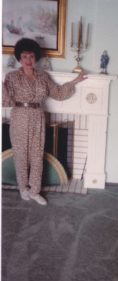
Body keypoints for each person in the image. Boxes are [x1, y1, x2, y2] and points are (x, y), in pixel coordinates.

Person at [3, 38, 87, 206]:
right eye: (25, 56)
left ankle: (35, 191)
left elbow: (58, 93)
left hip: (38, 117)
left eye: (32, 56)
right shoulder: (12, 76)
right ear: (20, 58)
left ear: (36, 58)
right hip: (19, 115)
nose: (28, 60)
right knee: (21, 155)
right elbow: (6, 101)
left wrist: (75, 81)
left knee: (37, 155)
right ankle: (23, 188)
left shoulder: (43, 76)